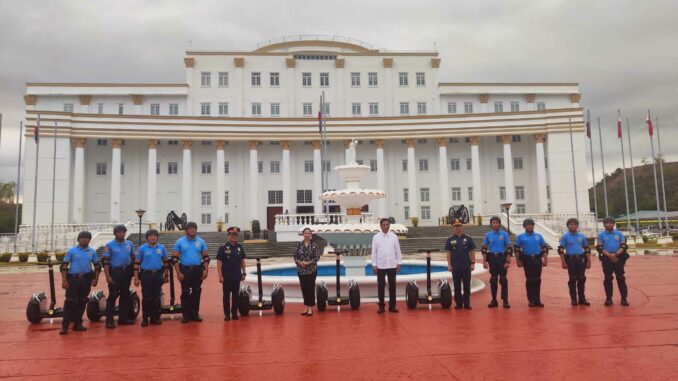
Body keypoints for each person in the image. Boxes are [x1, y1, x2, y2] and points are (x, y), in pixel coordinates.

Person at [59, 231, 101, 335]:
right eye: (83, 238)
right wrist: (64, 281)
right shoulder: (71, 251)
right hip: (73, 279)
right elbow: (64, 266)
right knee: (69, 301)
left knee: (82, 301)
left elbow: (97, 266)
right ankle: (65, 325)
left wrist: (95, 279)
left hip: (86, 280)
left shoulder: (92, 252)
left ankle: (78, 323)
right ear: (78, 239)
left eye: (88, 238)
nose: (85, 239)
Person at [173, 221, 209, 323]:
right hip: (185, 270)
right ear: (186, 230)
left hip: (197, 270)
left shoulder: (201, 242)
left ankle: (195, 313)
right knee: (185, 292)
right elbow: (175, 259)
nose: (192, 230)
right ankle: (185, 315)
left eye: (194, 228)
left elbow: (205, 257)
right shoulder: (179, 242)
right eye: (190, 228)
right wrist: (178, 272)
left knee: (196, 291)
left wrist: (206, 270)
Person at [102, 224, 136, 328]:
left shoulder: (129, 244)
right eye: (119, 232)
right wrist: (108, 276)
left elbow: (133, 258)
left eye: (123, 231)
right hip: (115, 273)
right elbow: (105, 262)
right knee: (113, 295)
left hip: (126, 272)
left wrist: (134, 273)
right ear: (115, 233)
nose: (121, 233)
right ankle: (109, 321)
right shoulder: (109, 245)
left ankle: (123, 318)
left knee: (125, 295)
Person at [134, 229, 169, 327]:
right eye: (151, 236)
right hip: (146, 275)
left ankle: (155, 317)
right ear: (147, 238)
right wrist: (136, 278)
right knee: (146, 298)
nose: (153, 238)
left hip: (158, 275)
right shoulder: (142, 249)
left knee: (156, 297)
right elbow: (136, 264)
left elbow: (166, 263)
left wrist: (166, 275)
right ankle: (145, 318)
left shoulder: (162, 248)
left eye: (155, 236)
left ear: (157, 237)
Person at [514, 219, 549, 307]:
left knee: (537, 280)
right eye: (527, 225)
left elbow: (544, 248)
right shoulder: (521, 237)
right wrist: (518, 261)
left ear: (533, 226)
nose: (529, 226)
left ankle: (537, 300)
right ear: (524, 226)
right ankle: (531, 300)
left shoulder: (539, 236)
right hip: (527, 260)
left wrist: (545, 260)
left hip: (537, 259)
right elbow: (517, 250)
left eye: (531, 225)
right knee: (530, 280)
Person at [596, 217, 630, 306]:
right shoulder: (601, 235)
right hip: (607, 258)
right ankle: (608, 298)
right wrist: (609, 255)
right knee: (607, 278)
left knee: (620, 278)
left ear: (613, 224)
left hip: (618, 257)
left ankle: (624, 298)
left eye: (611, 223)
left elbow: (623, 246)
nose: (609, 224)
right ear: (604, 224)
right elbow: (599, 247)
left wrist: (615, 254)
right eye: (607, 223)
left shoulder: (619, 233)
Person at [371, 218, 403, 313]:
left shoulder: (394, 236)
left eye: (387, 225)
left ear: (389, 226)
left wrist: (399, 262)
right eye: (384, 225)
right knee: (381, 286)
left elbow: (397, 250)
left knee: (392, 286)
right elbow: (374, 252)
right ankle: (381, 306)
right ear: (380, 226)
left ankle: (392, 306)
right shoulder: (376, 237)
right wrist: (374, 264)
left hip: (392, 265)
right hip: (381, 265)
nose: (386, 226)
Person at [558, 218, 591, 306]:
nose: (573, 226)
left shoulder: (582, 236)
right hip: (571, 259)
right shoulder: (565, 236)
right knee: (572, 279)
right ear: (568, 226)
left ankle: (582, 299)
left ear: (577, 225)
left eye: (574, 224)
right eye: (571, 224)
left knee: (581, 278)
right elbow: (561, 250)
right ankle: (573, 299)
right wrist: (563, 262)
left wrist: (588, 261)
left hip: (581, 259)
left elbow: (587, 249)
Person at [445, 219, 476, 310]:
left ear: (462, 227)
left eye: (459, 226)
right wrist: (449, 265)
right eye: (455, 226)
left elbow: (472, 251)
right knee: (457, 286)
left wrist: (473, 263)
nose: (457, 228)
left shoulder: (468, 238)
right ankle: (458, 303)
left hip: (466, 266)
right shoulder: (450, 239)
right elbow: (448, 253)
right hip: (455, 267)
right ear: (453, 228)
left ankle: (466, 303)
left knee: (467, 285)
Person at [217, 226, 247, 321]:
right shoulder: (223, 247)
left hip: (236, 276)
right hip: (227, 276)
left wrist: (244, 273)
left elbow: (242, 261)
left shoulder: (239, 247)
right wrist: (220, 275)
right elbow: (219, 262)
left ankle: (234, 313)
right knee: (226, 296)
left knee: (235, 296)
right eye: (232, 234)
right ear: (228, 235)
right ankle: (227, 314)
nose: (234, 236)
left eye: (235, 234)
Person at [481, 216, 512, 308]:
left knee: (503, 280)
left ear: (499, 224)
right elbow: (484, 249)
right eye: (493, 223)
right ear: (491, 224)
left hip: (502, 258)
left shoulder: (505, 234)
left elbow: (509, 248)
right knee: (493, 280)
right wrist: (484, 262)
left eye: (497, 222)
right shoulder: (488, 235)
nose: (495, 224)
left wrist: (507, 261)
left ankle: (505, 300)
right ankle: (494, 300)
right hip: (492, 259)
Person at [295, 227, 320, 316]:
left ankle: (310, 307)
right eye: (305, 233)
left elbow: (317, 257)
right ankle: (306, 306)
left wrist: (308, 262)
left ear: (311, 235)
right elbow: (295, 256)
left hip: (311, 270)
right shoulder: (299, 245)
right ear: (303, 234)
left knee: (310, 288)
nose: (307, 235)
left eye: (308, 233)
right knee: (304, 289)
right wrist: (299, 262)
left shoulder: (314, 245)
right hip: (301, 271)